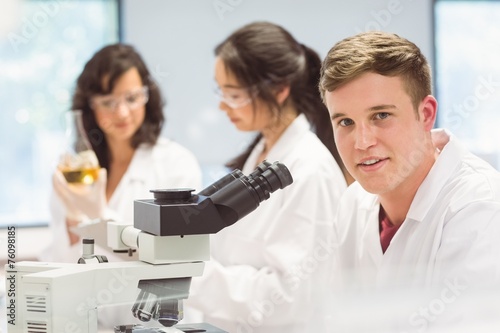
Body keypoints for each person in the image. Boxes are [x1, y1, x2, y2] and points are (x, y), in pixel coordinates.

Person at [319, 31, 500, 330]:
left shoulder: (479, 209)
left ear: (426, 114)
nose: (362, 142)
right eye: (345, 122)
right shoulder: (353, 203)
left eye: (380, 116)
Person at [184, 21, 351, 332]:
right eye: (220, 91)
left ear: (279, 89)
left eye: (233, 94)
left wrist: (190, 277)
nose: (222, 105)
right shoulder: (261, 153)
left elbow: (292, 298)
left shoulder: (310, 170)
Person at [40, 44, 202, 263]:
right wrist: (72, 218)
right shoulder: (76, 170)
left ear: (147, 96)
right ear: (90, 107)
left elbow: (173, 256)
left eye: (132, 98)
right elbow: (60, 260)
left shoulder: (175, 163)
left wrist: (100, 216)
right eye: (108, 102)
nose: (122, 113)